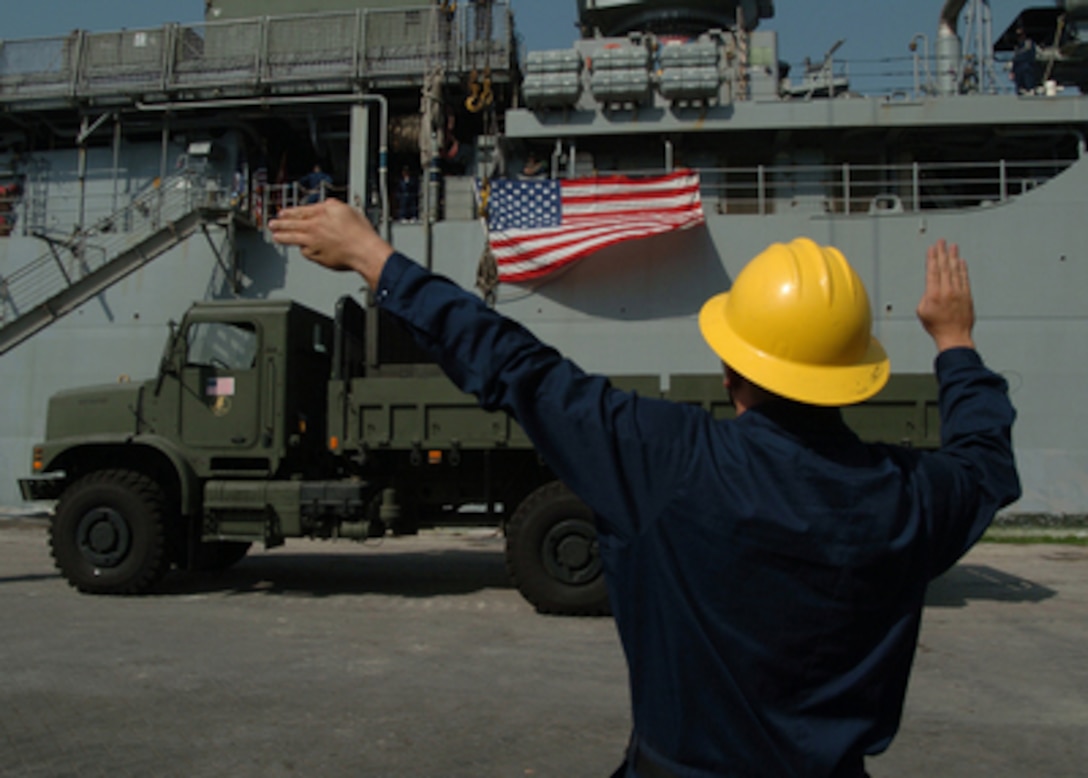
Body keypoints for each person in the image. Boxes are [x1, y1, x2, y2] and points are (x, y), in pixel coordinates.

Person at [268, 200, 1019, 778]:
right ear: (854, 379)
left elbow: (518, 368)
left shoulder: (667, 461)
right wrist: (955, 342)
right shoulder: (910, 499)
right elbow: (985, 461)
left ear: (729, 371)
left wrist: (375, 257)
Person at [1012, 26, 1038, 94]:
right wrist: (1012, 71)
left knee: (1027, 73)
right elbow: (1015, 60)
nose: (1019, 38)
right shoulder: (1017, 47)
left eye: (1021, 35)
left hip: (1027, 67)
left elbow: (1029, 56)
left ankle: (1030, 89)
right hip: (1019, 70)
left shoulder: (1029, 44)